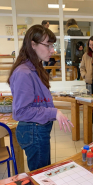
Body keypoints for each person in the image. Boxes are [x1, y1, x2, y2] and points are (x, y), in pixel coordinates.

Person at [7, 25, 73, 171]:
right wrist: (53, 112)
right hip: (33, 130)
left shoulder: (34, 67)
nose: (52, 50)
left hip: (37, 129)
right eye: (48, 45)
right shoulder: (23, 72)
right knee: (40, 175)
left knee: (43, 172)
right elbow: (21, 111)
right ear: (33, 44)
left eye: (52, 46)